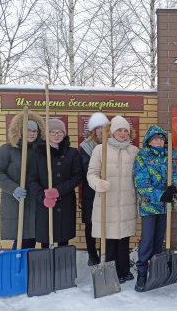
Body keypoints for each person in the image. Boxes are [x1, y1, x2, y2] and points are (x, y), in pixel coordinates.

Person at [87, 116, 139, 284]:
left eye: (126, 130)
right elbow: (91, 173)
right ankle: (111, 271)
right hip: (106, 201)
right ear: (112, 132)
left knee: (124, 239)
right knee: (108, 239)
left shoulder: (134, 151)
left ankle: (124, 270)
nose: (123, 133)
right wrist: (97, 183)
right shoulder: (100, 150)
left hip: (126, 200)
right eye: (119, 130)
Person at [133, 125, 177, 292]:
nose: (159, 142)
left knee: (159, 239)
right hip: (149, 207)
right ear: (149, 141)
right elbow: (141, 183)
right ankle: (142, 273)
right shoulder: (142, 158)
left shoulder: (169, 157)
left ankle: (156, 270)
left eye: (162, 139)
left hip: (165, 207)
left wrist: (174, 188)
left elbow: (175, 176)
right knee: (147, 239)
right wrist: (161, 195)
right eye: (156, 139)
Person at [0, 111, 45, 250]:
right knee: (20, 238)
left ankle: (28, 267)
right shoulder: (8, 150)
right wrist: (13, 188)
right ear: (19, 131)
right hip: (18, 201)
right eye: (27, 130)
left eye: (34, 131)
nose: (31, 134)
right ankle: (18, 265)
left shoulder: (41, 152)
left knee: (31, 237)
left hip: (36, 201)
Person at [28, 118, 82, 248]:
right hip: (45, 204)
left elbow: (77, 177)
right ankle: (47, 265)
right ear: (47, 134)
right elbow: (32, 180)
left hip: (65, 202)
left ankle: (61, 265)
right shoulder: (38, 153)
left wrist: (58, 191)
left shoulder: (72, 153)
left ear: (64, 134)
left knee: (63, 239)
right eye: (52, 132)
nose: (56, 135)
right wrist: (43, 197)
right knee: (46, 238)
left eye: (60, 132)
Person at [79, 112, 109, 266]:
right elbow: (86, 169)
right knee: (91, 224)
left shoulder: (112, 144)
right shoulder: (85, 147)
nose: (100, 131)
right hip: (91, 191)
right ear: (93, 130)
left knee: (107, 223)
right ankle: (92, 254)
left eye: (103, 128)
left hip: (108, 191)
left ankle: (107, 253)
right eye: (98, 128)